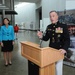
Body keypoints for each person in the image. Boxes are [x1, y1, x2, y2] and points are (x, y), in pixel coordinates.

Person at [37, 11, 70, 75]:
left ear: (57, 16)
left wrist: (64, 49)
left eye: (53, 16)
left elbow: (67, 39)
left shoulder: (63, 26)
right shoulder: (49, 27)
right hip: (51, 50)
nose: (51, 18)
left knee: (58, 69)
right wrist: (41, 36)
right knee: (50, 68)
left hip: (59, 51)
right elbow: (46, 38)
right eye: (50, 16)